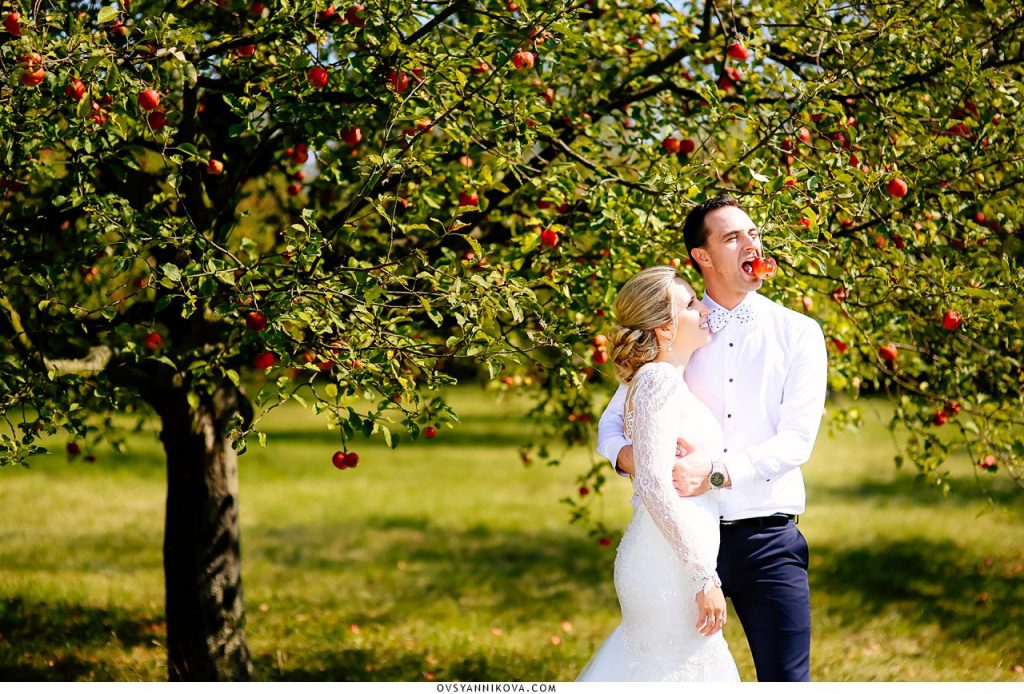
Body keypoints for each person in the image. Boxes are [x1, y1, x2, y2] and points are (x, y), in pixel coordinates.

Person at [596, 195, 828, 682]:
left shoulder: (799, 333)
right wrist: (640, 461)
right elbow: (611, 423)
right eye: (732, 237)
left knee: (788, 681)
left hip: (767, 537)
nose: (752, 244)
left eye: (753, 234)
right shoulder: (677, 328)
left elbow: (797, 441)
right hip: (683, 540)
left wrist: (716, 473)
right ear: (702, 257)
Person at [577, 266, 740, 682]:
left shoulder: (660, 379)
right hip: (669, 568)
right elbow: (652, 481)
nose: (703, 308)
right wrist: (704, 577)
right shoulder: (659, 381)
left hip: (670, 559)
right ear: (665, 329)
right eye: (689, 304)